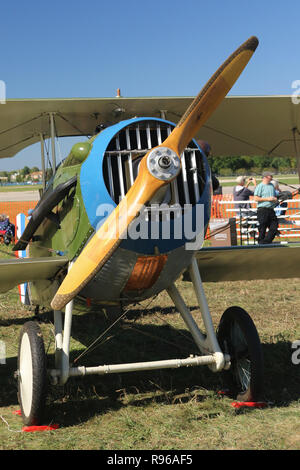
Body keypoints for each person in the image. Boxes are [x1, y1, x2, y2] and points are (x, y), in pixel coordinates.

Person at [254, 172, 278, 244]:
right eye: (270, 176)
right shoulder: (260, 186)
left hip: (271, 210)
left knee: (274, 227)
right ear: (265, 177)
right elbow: (256, 198)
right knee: (262, 228)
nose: (272, 177)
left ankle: (266, 242)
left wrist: (275, 199)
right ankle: (261, 243)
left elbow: (274, 196)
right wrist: (268, 199)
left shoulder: (271, 185)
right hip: (262, 210)